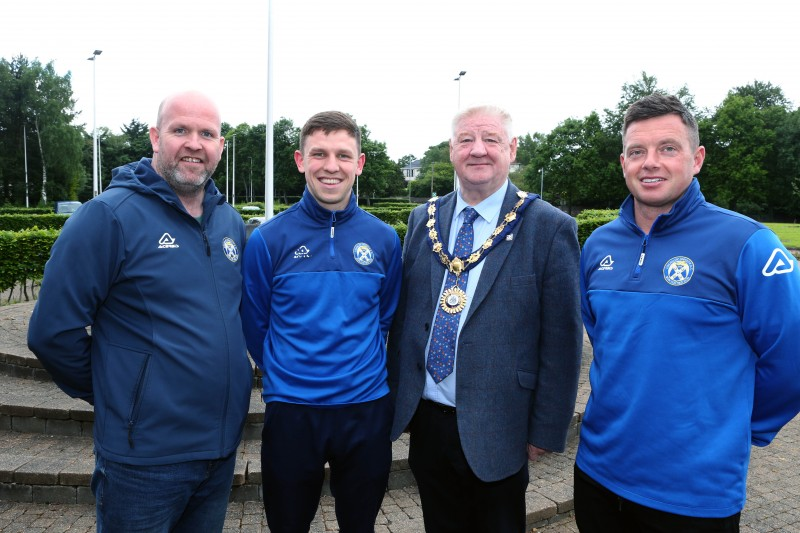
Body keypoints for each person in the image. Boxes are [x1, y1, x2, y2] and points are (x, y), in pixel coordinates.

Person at [27, 91, 252, 532]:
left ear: (220, 146)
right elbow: (52, 332)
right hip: (144, 460)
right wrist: (123, 395)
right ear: (155, 137)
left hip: (220, 450)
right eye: (180, 130)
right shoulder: (108, 216)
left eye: (207, 133)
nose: (194, 143)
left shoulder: (229, 224)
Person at [575, 93, 800, 532]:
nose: (650, 162)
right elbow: (604, 342)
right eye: (637, 151)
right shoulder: (597, 245)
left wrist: (731, 427)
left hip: (694, 495)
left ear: (696, 159)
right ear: (623, 162)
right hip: (598, 475)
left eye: (668, 148)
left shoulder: (748, 244)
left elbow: (791, 359)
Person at [387, 104, 583, 532]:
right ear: (452, 150)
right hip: (429, 420)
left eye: (491, 140)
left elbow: (563, 341)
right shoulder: (424, 219)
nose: (478, 150)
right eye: (466, 140)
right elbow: (407, 319)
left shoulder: (549, 227)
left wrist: (545, 430)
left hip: (502, 423)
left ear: (511, 149)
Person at [241, 110, 403, 532]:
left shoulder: (385, 240)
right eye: (320, 154)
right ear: (300, 160)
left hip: (366, 409)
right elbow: (256, 325)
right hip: (293, 411)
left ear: (359, 163)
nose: (331, 166)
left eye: (343, 155)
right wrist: (290, 373)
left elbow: (383, 318)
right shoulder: (267, 240)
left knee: (359, 526)